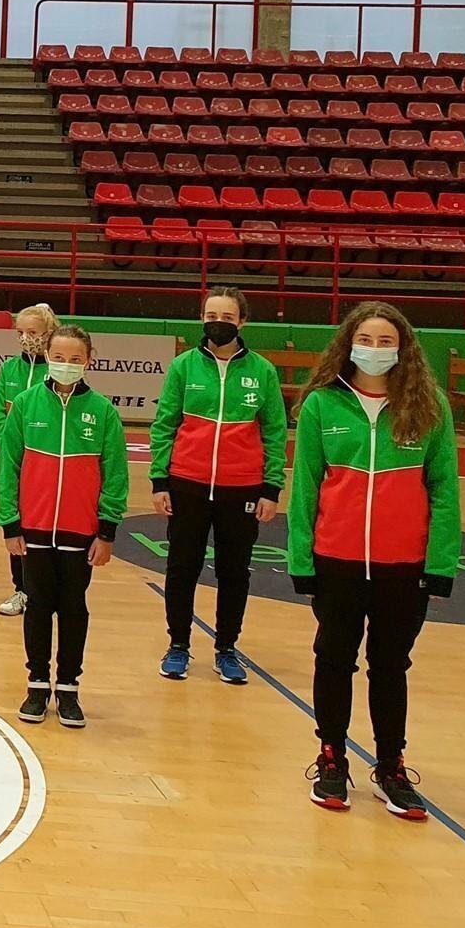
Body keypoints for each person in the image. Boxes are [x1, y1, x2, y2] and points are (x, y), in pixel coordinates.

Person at [290, 302, 460, 818]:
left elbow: (444, 489)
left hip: (403, 566)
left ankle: (390, 767)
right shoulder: (322, 404)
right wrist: (302, 559)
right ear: (349, 344)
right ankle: (331, 758)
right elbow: (305, 489)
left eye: (387, 341)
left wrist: (441, 564)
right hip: (336, 560)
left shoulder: (429, 406)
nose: (375, 349)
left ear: (403, 349)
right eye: (366, 339)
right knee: (333, 659)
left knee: (390, 666)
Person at [151, 287, 289, 685]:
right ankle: (178, 645)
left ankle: (226, 648)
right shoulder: (183, 367)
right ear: (202, 318)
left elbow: (275, 431)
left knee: (234, 572)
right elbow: (164, 424)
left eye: (227, 317)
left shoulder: (263, 371)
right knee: (182, 568)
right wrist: (160, 480)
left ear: (242, 322)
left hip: (242, 488)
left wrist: (271, 487)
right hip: (187, 484)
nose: (218, 323)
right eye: (212, 316)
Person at [0, 325, 128, 730]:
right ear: (47, 357)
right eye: (58, 357)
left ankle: (68, 687)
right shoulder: (25, 404)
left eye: (75, 359)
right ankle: (37, 685)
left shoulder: (103, 411)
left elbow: (115, 475)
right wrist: (10, 523)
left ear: (89, 361)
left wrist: (107, 531)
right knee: (37, 606)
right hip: (33, 528)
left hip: (79, 532)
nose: (66, 365)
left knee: (73, 608)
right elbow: (8, 466)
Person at [0, 303, 58, 617]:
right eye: (21, 332)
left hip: (46, 466)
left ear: (49, 333)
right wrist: (11, 448)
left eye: (33, 332)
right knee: (16, 523)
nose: (26, 338)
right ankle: (21, 589)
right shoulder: (9, 370)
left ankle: (44, 589)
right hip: (16, 464)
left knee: (43, 526)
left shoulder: (56, 372)